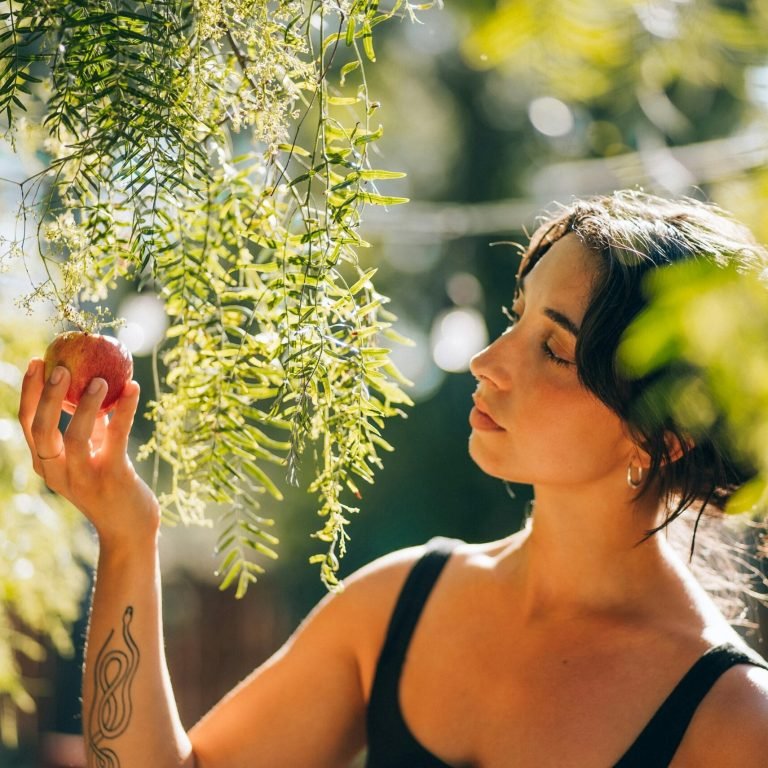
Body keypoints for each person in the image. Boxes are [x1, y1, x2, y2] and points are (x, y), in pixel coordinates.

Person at [18, 190, 768, 768]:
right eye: (515, 316)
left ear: (664, 433)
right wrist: (125, 531)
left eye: (555, 349)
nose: (490, 361)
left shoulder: (734, 721)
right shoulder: (398, 605)